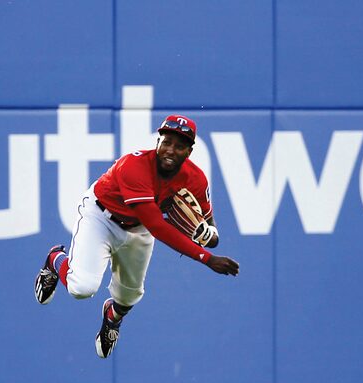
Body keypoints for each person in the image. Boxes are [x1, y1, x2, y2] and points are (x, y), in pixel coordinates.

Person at [34, 114, 240, 358]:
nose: (171, 150)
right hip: (102, 217)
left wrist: (209, 235)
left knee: (129, 296)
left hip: (138, 228)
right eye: (167, 142)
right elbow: (156, 225)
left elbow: (209, 222)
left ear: (189, 151)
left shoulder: (195, 178)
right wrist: (207, 258)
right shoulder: (134, 166)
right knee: (82, 288)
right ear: (158, 141)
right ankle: (55, 260)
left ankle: (112, 316)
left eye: (180, 145)